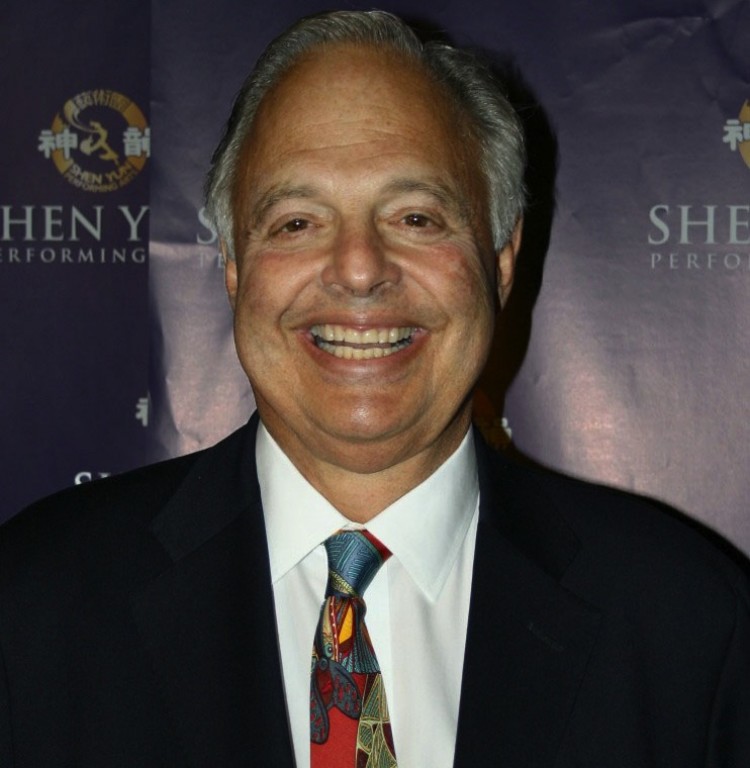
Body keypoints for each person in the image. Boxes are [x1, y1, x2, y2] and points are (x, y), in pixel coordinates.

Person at [1, 10, 748, 768]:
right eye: (296, 223)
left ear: (501, 260)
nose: (359, 268)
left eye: (416, 216)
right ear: (232, 264)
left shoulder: (688, 623)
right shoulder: (35, 607)